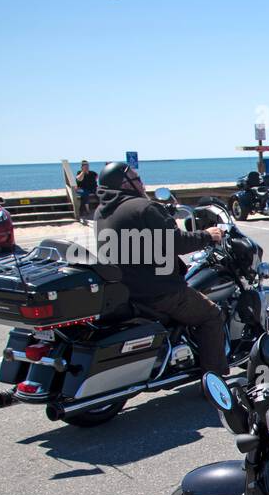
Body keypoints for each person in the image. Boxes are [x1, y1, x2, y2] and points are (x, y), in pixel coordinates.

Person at [93, 161, 227, 380]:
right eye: (137, 178)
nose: (142, 183)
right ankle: (215, 381)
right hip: (157, 291)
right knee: (211, 315)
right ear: (125, 183)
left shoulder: (101, 211)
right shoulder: (143, 208)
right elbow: (176, 243)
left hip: (124, 289)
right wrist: (207, 235)